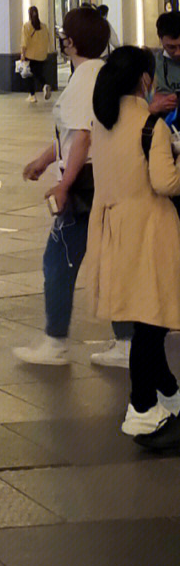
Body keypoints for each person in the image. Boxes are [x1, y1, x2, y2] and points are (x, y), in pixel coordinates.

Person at [14, 5, 132, 365]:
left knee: (58, 260)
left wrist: (64, 184)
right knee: (111, 260)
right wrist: (44, 159)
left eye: (65, 33)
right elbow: (78, 135)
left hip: (85, 185)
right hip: (107, 179)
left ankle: (55, 342)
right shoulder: (103, 73)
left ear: (72, 41)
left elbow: (81, 137)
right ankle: (126, 342)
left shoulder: (84, 79)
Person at [84, 46, 180, 437]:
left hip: (115, 230)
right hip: (149, 232)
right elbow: (166, 182)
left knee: (146, 321)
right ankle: (141, 407)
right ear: (144, 79)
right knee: (151, 326)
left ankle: (169, 394)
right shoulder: (150, 127)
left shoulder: (101, 122)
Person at [149, 9, 180, 116]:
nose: (177, 53)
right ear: (160, 39)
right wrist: (155, 106)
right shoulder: (151, 64)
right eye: (171, 47)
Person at [20, 6, 51, 102]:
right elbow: (48, 39)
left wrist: (22, 54)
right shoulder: (44, 26)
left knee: (29, 75)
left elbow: (24, 42)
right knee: (38, 73)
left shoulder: (27, 26)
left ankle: (32, 95)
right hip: (42, 55)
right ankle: (44, 85)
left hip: (30, 55)